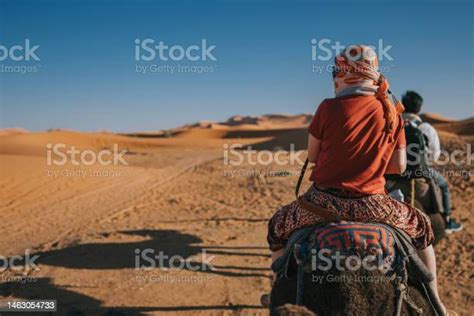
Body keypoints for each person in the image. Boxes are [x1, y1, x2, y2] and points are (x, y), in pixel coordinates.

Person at [267, 45, 446, 313]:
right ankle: (435, 300)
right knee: (422, 230)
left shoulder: (327, 108)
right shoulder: (390, 111)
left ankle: (277, 290)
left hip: (322, 202)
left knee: (278, 227)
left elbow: (313, 157)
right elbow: (397, 165)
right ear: (373, 73)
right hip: (375, 204)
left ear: (341, 74)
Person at [401, 90, 463, 233]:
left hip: (394, 172)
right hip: (420, 171)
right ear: (419, 108)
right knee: (443, 185)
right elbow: (434, 156)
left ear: (403, 106)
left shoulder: (393, 125)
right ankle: (447, 219)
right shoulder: (426, 128)